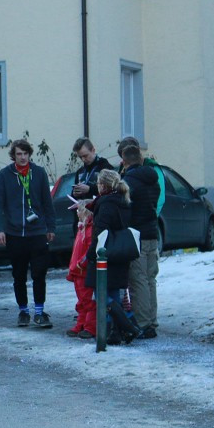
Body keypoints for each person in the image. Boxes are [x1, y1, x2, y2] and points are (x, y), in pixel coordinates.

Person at [0, 139, 56, 328]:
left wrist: (51, 227)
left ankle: (39, 311)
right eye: (19, 154)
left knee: (39, 273)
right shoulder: (5, 174)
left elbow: (47, 201)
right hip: (14, 233)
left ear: (29, 154)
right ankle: (23, 311)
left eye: (25, 153)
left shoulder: (38, 173)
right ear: (14, 155)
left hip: (37, 232)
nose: (22, 157)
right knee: (18, 275)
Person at [86, 169, 142, 344]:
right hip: (120, 251)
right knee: (114, 294)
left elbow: (100, 231)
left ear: (103, 185)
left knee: (102, 294)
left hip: (105, 252)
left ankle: (128, 327)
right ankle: (115, 333)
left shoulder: (106, 203)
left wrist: (90, 254)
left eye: (98, 183)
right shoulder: (123, 200)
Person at [121, 145, 160, 338]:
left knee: (138, 281)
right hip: (152, 232)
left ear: (125, 161)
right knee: (151, 279)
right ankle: (152, 320)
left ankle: (143, 323)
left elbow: (126, 208)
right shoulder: (154, 179)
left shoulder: (128, 181)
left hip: (136, 235)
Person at [65, 204, 96, 339]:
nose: (77, 213)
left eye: (79, 211)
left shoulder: (90, 230)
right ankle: (81, 324)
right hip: (77, 271)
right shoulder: (82, 229)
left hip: (83, 271)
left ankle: (90, 327)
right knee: (81, 301)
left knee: (88, 301)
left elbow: (89, 251)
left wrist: (81, 264)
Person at [70, 138, 112, 206]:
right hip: (83, 213)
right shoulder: (80, 171)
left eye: (85, 156)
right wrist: (75, 194)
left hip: (100, 211)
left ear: (93, 150)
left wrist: (90, 189)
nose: (83, 159)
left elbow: (111, 192)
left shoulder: (105, 168)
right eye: (80, 157)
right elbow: (74, 198)